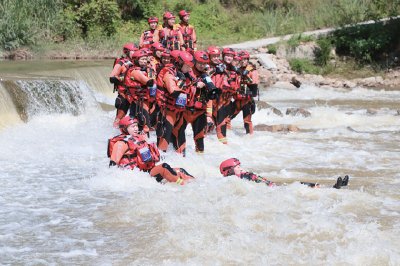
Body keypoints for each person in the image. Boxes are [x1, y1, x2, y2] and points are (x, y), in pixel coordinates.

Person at [108, 116, 195, 185]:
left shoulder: (140, 138)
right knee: (165, 167)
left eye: (136, 126)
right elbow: (113, 166)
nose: (136, 128)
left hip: (147, 171)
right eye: (132, 126)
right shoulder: (121, 143)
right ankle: (185, 186)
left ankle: (196, 183)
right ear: (125, 129)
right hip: (138, 175)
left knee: (180, 171)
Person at [172, 50, 214, 156]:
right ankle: (180, 158)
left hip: (200, 112)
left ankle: (200, 160)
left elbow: (210, 98)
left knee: (199, 138)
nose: (202, 65)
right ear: (194, 61)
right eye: (200, 62)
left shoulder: (207, 76)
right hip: (185, 111)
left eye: (204, 63)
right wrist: (194, 85)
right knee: (180, 135)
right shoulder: (186, 73)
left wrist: (209, 115)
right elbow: (179, 89)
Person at [220, 158, 349, 189]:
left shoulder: (244, 177)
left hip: (276, 189)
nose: (241, 169)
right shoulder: (232, 182)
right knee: (298, 186)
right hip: (274, 192)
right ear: (229, 171)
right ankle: (332, 188)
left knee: (299, 184)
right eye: (238, 167)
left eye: (240, 166)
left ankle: (331, 187)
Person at [156, 51, 195, 152]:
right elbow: (173, 92)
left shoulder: (185, 73)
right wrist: (182, 80)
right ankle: (161, 163)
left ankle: (181, 161)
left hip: (179, 112)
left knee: (181, 140)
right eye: (187, 66)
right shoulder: (169, 74)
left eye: (190, 67)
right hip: (167, 112)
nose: (189, 69)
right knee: (164, 139)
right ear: (180, 63)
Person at [124, 49, 155, 134]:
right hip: (140, 101)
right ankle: (145, 143)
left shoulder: (141, 69)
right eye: (142, 59)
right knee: (145, 124)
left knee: (138, 123)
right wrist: (150, 71)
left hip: (140, 101)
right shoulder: (136, 71)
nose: (145, 61)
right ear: (136, 60)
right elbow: (150, 82)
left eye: (146, 59)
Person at [229, 50, 258, 134]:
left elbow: (254, 85)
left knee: (247, 122)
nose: (243, 61)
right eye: (241, 59)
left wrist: (246, 77)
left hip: (247, 101)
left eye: (245, 59)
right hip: (237, 100)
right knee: (227, 118)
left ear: (248, 60)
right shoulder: (236, 70)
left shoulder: (252, 71)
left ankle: (249, 138)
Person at [110, 43, 138, 128]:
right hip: (124, 95)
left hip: (135, 95)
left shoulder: (137, 62)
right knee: (120, 116)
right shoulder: (121, 63)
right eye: (133, 51)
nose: (135, 53)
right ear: (127, 52)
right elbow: (112, 78)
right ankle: (114, 133)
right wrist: (125, 77)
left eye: (136, 51)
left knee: (135, 117)